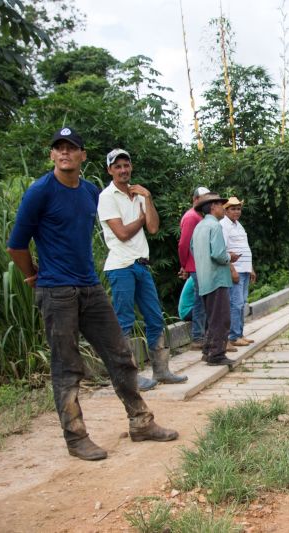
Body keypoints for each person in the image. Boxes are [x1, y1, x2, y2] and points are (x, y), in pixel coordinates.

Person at [6, 127, 177, 461]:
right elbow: (16, 245)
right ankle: (76, 436)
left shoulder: (89, 192)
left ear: (83, 156)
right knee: (67, 366)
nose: (65, 153)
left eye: (72, 148)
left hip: (90, 286)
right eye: (59, 148)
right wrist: (32, 278)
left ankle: (141, 422)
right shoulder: (39, 192)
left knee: (120, 355)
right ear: (52, 155)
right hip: (56, 291)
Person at [98, 148, 187, 391]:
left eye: (126, 165)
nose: (123, 170)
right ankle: (129, 376)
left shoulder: (138, 195)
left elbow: (154, 228)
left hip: (141, 265)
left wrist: (147, 198)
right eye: (117, 166)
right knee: (124, 321)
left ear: (131, 167)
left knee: (154, 317)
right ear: (110, 170)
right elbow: (123, 233)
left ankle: (161, 370)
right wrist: (140, 218)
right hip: (120, 266)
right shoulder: (107, 197)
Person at [192, 192, 238, 366]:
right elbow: (218, 254)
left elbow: (192, 249)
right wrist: (230, 257)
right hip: (217, 278)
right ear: (213, 207)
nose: (223, 208)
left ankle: (208, 350)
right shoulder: (215, 226)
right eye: (221, 205)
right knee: (221, 317)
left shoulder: (199, 227)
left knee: (212, 317)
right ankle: (217, 354)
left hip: (204, 278)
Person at [220, 196, 256, 347]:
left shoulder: (238, 225)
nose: (237, 211)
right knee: (236, 303)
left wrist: (251, 268)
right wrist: (232, 270)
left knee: (242, 303)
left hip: (245, 269)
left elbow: (244, 247)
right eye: (233, 209)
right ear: (226, 210)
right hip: (236, 270)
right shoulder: (223, 225)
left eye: (238, 208)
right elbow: (223, 249)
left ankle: (239, 333)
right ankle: (233, 336)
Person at [178, 186, 210, 350]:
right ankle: (198, 337)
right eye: (203, 199)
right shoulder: (191, 217)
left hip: (200, 265)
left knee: (203, 300)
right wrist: (184, 265)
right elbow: (184, 243)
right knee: (200, 302)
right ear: (195, 200)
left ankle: (202, 335)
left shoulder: (199, 217)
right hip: (195, 265)